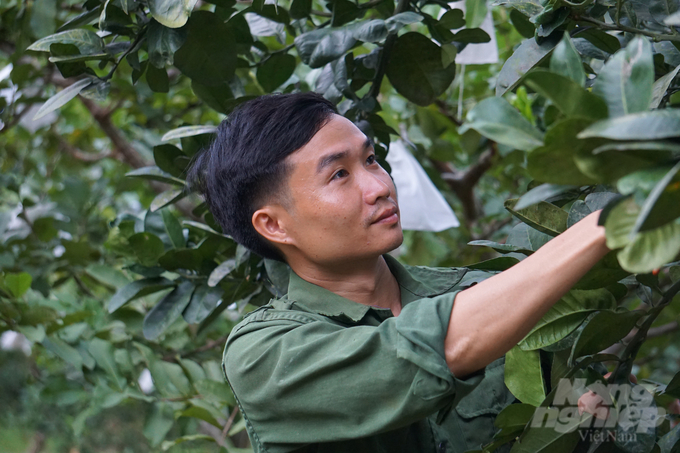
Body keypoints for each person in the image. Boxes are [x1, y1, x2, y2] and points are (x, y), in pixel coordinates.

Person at [187, 92, 610, 453]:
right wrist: (612, 222)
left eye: (371, 160)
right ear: (274, 225)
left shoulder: (480, 293)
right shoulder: (264, 353)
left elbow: (570, 420)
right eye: (339, 174)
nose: (379, 186)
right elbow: (438, 349)